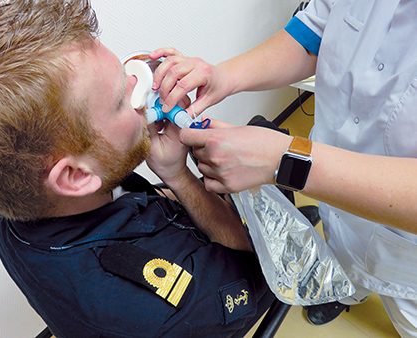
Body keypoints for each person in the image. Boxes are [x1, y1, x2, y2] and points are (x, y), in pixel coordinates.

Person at [0, 1, 276, 337]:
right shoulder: (172, 310)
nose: (137, 83)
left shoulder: (11, 211)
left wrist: (170, 171)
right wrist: (180, 178)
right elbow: (256, 269)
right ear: (76, 176)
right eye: (119, 100)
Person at [149, 0, 417, 336]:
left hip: (408, 256)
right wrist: (224, 76)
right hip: (334, 205)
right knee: (340, 265)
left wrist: (285, 161)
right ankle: (344, 289)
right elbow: (316, 31)